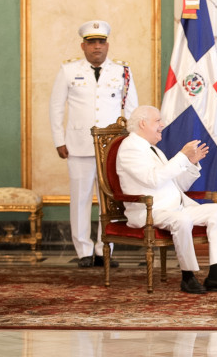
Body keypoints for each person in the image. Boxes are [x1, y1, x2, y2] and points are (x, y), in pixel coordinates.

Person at [116, 106, 217, 295]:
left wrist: (190, 163)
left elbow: (177, 184)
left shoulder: (153, 150)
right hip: (149, 210)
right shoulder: (130, 148)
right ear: (143, 123)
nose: (162, 125)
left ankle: (215, 275)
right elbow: (154, 179)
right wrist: (182, 156)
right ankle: (188, 277)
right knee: (182, 220)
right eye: (158, 121)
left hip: (174, 207)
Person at [50, 20, 139, 268]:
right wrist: (59, 140)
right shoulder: (68, 71)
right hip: (78, 145)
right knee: (80, 199)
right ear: (83, 46)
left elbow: (131, 108)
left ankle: (105, 248)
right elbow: (56, 107)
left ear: (107, 45)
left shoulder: (122, 71)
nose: (97, 47)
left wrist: (131, 142)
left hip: (111, 147)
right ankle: (83, 251)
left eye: (101, 42)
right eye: (91, 43)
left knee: (110, 200)